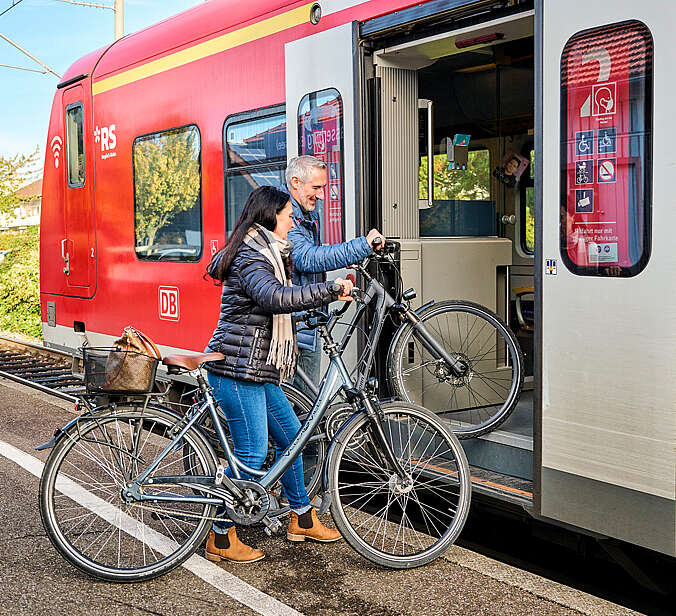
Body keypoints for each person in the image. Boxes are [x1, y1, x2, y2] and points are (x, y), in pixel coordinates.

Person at [203, 185, 353, 563]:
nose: (292, 221)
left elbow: (274, 311)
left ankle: (301, 517)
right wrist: (329, 290)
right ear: (271, 217)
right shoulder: (251, 257)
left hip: (257, 368)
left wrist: (316, 307)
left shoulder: (268, 253)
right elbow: (273, 299)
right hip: (238, 369)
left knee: (293, 439)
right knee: (252, 453)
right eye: (288, 215)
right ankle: (220, 536)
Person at [284, 155, 385, 395]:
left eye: (323, 188)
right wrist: (362, 246)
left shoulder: (306, 214)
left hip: (306, 317)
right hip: (294, 322)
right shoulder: (283, 212)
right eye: (316, 188)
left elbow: (308, 262)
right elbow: (307, 258)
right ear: (296, 182)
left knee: (303, 402)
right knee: (297, 405)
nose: (321, 196)